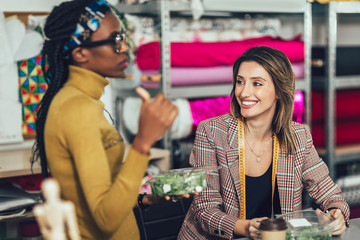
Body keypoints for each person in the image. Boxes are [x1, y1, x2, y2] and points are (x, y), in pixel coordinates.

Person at [32, 0, 180, 239]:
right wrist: (143, 142)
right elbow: (105, 218)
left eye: (122, 38)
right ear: (80, 53)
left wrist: (144, 198)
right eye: (115, 41)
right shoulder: (76, 109)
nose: (124, 49)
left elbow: (105, 194)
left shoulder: (82, 101)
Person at [178, 46, 350, 240]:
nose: (243, 92)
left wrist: (337, 212)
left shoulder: (298, 136)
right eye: (240, 82)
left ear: (279, 90)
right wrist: (245, 227)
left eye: (257, 84)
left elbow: (327, 189)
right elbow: (205, 209)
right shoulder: (211, 132)